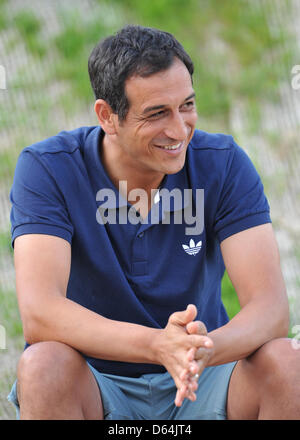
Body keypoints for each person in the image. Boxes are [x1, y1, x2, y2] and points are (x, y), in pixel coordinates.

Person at [7, 24, 300, 420]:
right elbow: (40, 313)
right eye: (157, 113)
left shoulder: (223, 162)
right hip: (98, 381)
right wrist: (156, 344)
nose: (179, 130)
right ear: (107, 116)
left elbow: (270, 309)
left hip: (202, 374)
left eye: (187, 106)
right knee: (43, 366)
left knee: (289, 361)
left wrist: (199, 350)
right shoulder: (48, 168)